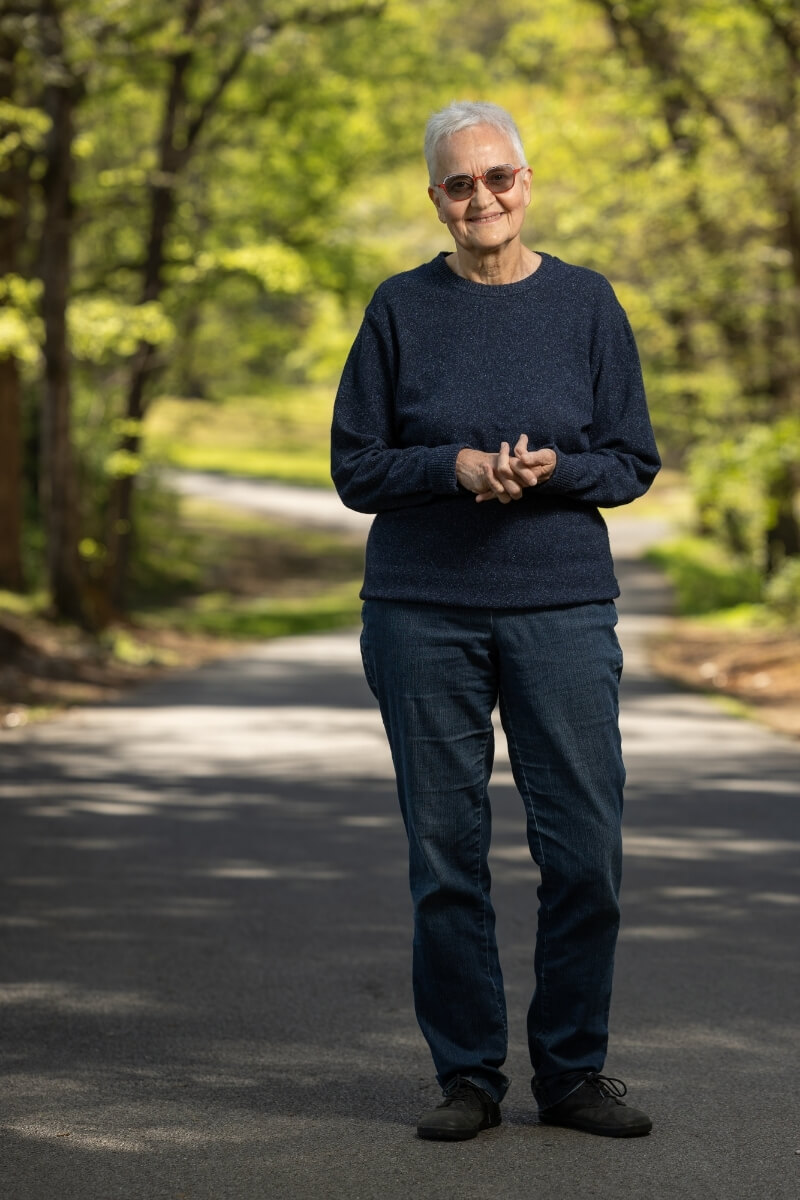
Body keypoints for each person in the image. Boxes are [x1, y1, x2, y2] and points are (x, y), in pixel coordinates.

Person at [330, 99, 660, 1142]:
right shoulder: (396, 308)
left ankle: (570, 1074)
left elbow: (630, 462)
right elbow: (353, 466)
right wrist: (453, 467)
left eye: (497, 177)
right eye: (458, 184)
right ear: (436, 198)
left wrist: (555, 471)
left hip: (560, 609)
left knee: (582, 855)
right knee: (445, 855)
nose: (481, 197)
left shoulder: (586, 304)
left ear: (526, 181)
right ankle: (466, 1076)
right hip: (421, 614)